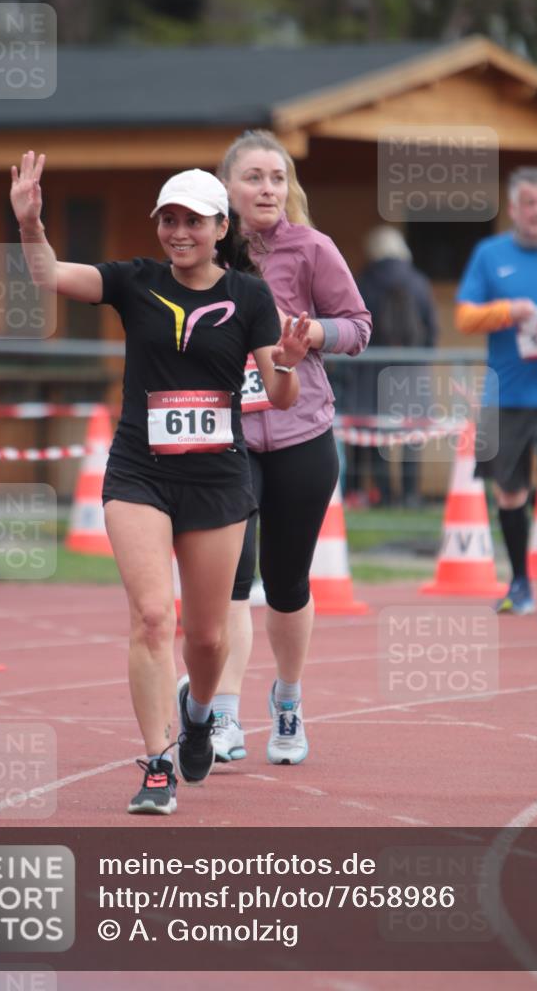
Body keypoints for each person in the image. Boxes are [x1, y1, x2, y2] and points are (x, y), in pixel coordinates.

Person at [10, 152, 312, 814]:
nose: (178, 231)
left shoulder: (249, 296)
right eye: (168, 219)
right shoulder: (134, 280)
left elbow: (283, 397)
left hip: (216, 479)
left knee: (205, 639)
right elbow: (49, 275)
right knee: (152, 620)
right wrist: (31, 225)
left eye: (192, 221)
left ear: (219, 226)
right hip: (139, 473)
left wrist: (287, 364)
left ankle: (199, 713)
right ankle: (155, 763)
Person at [211, 129, 371, 765]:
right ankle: (222, 712)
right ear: (227, 189)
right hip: (226, 439)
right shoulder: (204, 251)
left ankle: (288, 700)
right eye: (254, 177)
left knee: (286, 583)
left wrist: (312, 334)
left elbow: (358, 325)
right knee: (228, 577)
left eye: (278, 178)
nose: (268, 189)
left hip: (303, 432)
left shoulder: (311, 248)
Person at [455, 166, 537, 616]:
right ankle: (520, 582)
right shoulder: (490, 254)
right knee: (509, 493)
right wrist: (510, 310)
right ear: (514, 208)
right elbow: (465, 317)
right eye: (530, 203)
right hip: (502, 394)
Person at [357, 225, 438, 507]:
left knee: (378, 432)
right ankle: (410, 493)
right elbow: (432, 330)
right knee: (411, 433)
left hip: (372, 370)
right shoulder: (419, 282)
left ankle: (385, 494)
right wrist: (422, 360)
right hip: (411, 371)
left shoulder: (364, 282)